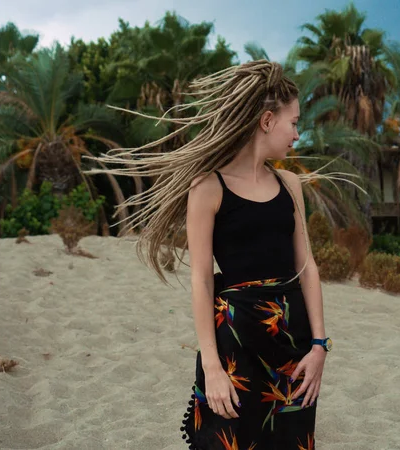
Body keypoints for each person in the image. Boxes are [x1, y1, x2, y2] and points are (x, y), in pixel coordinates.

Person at [85, 60, 332, 449]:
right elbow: (201, 280)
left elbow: (308, 268)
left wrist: (320, 346)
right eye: (294, 122)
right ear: (267, 121)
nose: (297, 135)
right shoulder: (208, 187)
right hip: (235, 343)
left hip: (293, 344)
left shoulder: (291, 184)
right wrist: (213, 367)